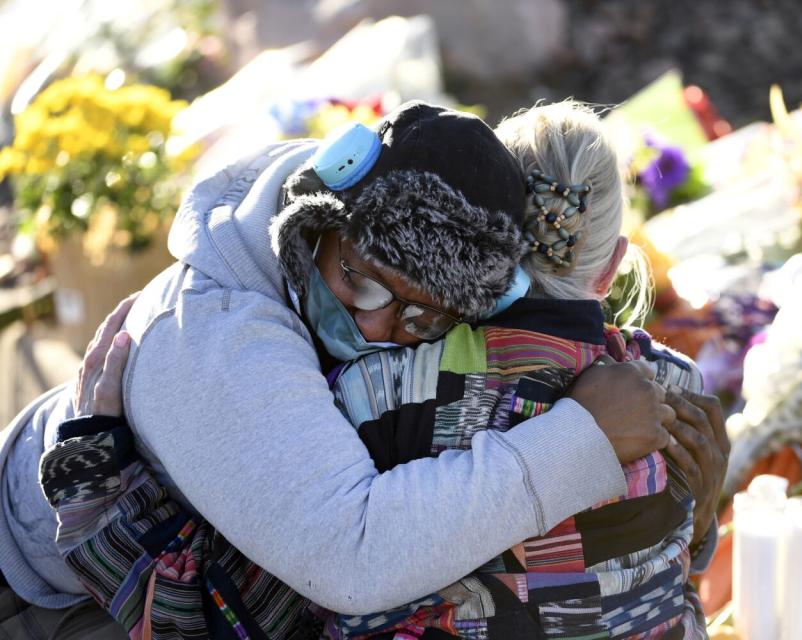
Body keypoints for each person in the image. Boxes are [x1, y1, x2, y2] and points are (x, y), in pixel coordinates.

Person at [41, 102, 728, 638]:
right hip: (48, 598)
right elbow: (352, 560)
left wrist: (98, 504)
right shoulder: (665, 388)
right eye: (360, 281)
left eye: (420, 315)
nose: (375, 329)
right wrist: (596, 446)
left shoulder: (385, 393)